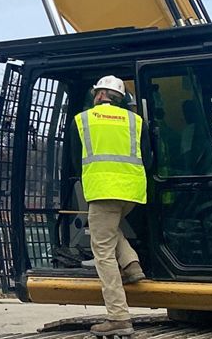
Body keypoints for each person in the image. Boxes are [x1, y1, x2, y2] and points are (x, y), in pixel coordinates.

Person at [75, 75, 147, 336]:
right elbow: (146, 156)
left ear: (100, 95)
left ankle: (118, 317)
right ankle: (131, 264)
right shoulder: (135, 121)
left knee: (102, 250)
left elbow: (75, 159)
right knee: (109, 231)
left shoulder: (84, 120)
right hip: (132, 192)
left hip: (103, 191)